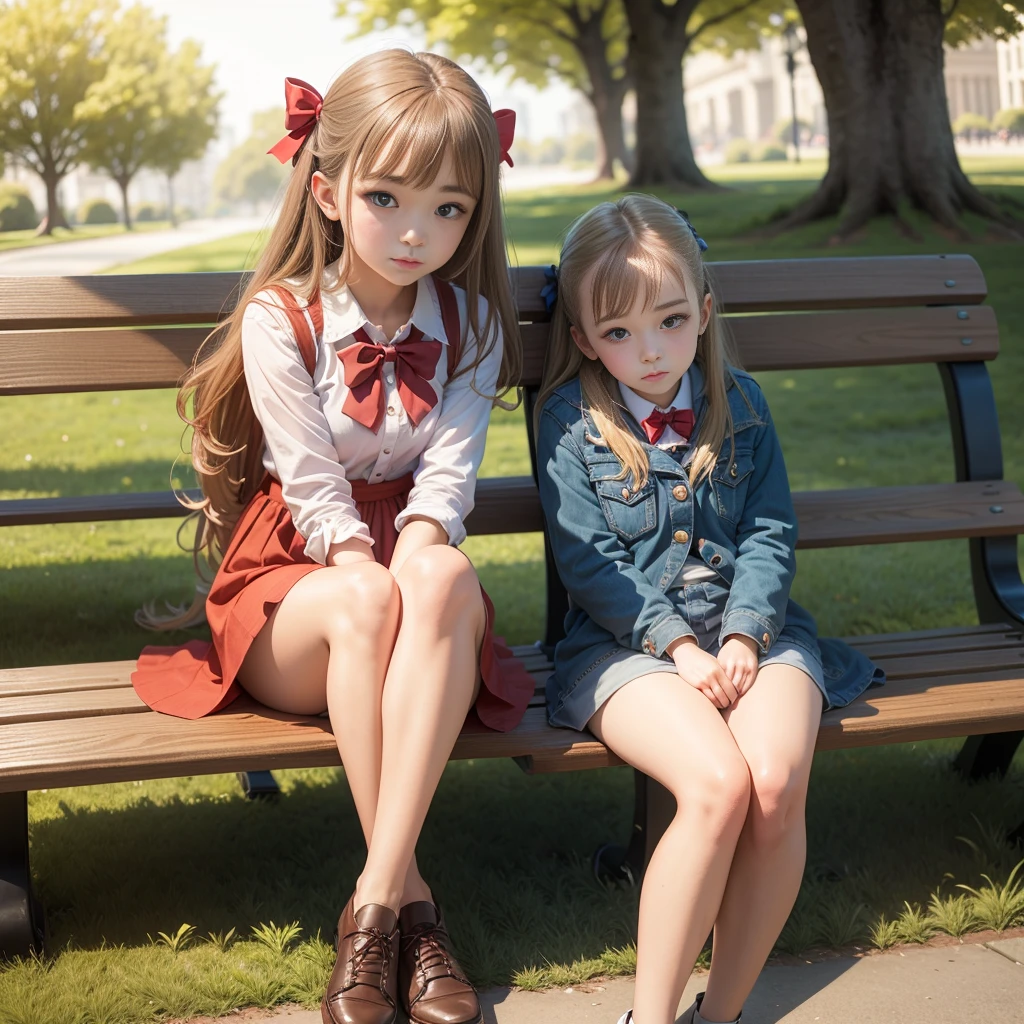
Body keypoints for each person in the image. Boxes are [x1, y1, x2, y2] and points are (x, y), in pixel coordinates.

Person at [132, 49, 534, 1024]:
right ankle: (421, 911)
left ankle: (377, 911)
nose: (416, 232)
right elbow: (313, 489)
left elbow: (448, 475)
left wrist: (428, 541)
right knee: (373, 593)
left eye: (448, 208)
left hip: (406, 567)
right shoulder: (284, 319)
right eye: (388, 198)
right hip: (300, 576)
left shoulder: (473, 324)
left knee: (435, 574)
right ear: (326, 190)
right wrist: (378, 565)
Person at [534, 194, 883, 1024]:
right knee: (720, 784)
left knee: (773, 781)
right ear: (582, 338)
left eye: (670, 320)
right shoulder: (571, 425)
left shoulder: (744, 407)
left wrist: (743, 634)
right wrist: (678, 647)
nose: (649, 352)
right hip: (623, 648)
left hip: (754, 632)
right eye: (617, 333)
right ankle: (647, 1020)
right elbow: (591, 565)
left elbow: (769, 534)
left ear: (705, 312)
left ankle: (719, 1015)